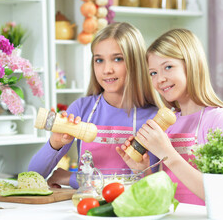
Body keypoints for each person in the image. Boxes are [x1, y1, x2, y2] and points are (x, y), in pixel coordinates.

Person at [28, 22, 161, 189]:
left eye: (117, 59)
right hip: (84, 209)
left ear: (135, 63)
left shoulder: (153, 119)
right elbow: (32, 176)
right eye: (99, 60)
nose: (106, 70)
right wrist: (55, 142)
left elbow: (150, 186)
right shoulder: (81, 109)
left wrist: (73, 178)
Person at [119, 29, 223, 205]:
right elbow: (160, 197)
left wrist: (167, 153)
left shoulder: (220, 119)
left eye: (168, 67)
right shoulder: (169, 123)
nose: (160, 79)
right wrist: (143, 170)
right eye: (153, 73)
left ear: (192, 64)